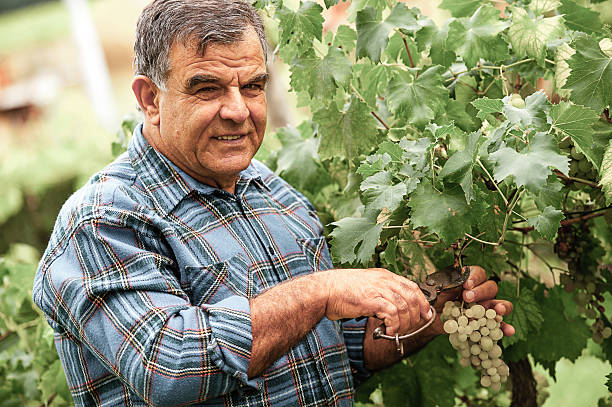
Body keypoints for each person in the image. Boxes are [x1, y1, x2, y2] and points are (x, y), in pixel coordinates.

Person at [33, 0, 514, 406]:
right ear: (150, 99)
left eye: (253, 86)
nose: (238, 110)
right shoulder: (103, 218)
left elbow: (329, 356)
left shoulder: (274, 193)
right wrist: (318, 292)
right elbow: (169, 367)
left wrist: (423, 317)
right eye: (207, 89)